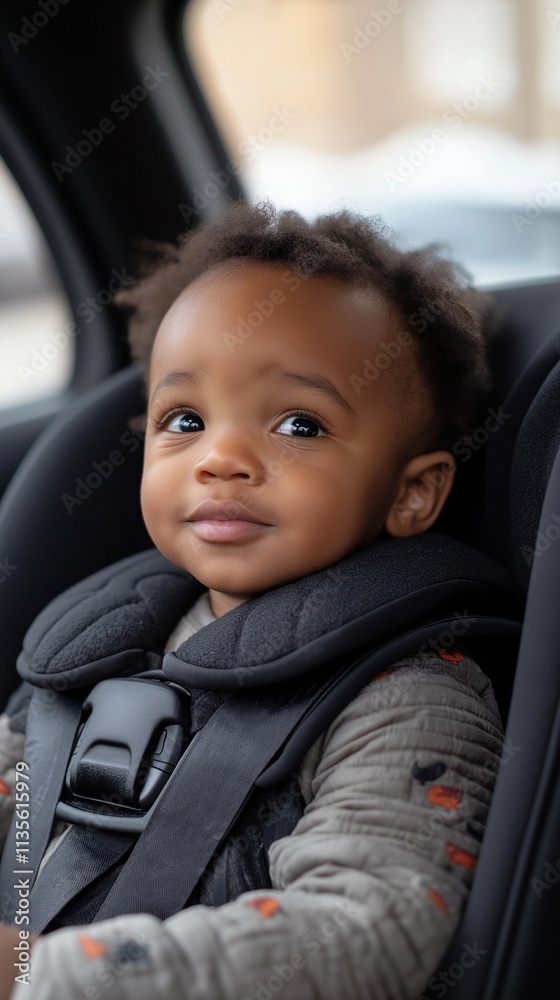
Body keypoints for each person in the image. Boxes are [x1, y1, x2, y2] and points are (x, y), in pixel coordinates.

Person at [0, 200, 507, 1000]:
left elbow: (366, 930)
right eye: (186, 418)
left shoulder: (412, 696)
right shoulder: (96, 650)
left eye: (300, 424)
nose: (222, 456)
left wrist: (45, 974)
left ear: (414, 493)